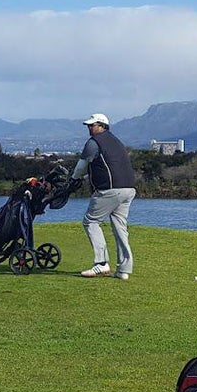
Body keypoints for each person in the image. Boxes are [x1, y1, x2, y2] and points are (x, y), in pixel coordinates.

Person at [71, 113, 137, 280]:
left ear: (101, 126)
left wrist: (74, 179)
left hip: (110, 190)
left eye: (92, 125)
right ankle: (124, 270)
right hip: (129, 188)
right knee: (120, 226)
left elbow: (81, 167)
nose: (89, 128)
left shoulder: (94, 142)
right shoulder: (116, 141)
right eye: (88, 125)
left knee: (91, 221)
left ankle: (101, 263)